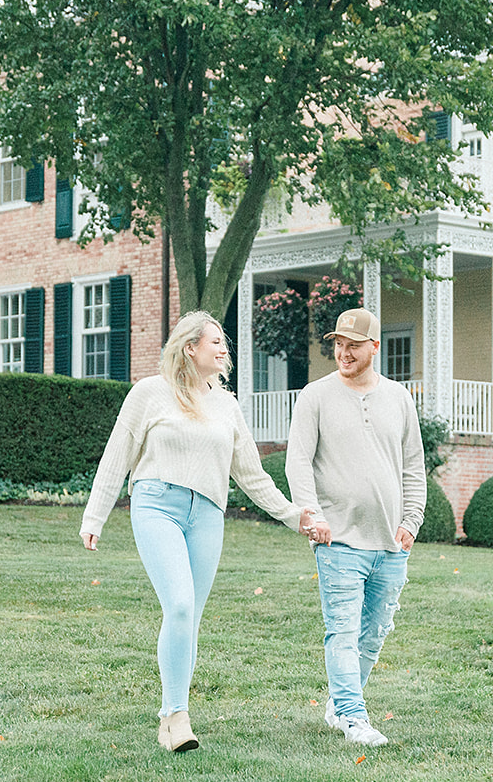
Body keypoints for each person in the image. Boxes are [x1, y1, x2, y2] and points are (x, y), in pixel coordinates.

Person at [81, 310, 317, 753]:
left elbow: (250, 474)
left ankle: (173, 716)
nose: (224, 349)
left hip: (207, 513)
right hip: (156, 506)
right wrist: (95, 516)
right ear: (190, 347)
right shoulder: (150, 393)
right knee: (181, 605)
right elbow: (117, 454)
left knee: (189, 619)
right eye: (215, 342)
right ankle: (176, 714)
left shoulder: (226, 405)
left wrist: (292, 514)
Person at [287, 307, 425, 747]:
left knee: (373, 633)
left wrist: (412, 521)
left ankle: (338, 702)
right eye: (337, 345)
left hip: (390, 541)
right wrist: (312, 513)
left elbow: (413, 467)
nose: (342, 353)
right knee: (342, 630)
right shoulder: (315, 396)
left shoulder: (400, 398)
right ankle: (352, 716)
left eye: (352, 345)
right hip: (338, 538)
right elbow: (298, 462)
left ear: (374, 348)